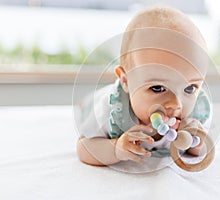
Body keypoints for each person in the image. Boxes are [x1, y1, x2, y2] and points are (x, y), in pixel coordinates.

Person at [76, 6, 211, 166]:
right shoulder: (110, 110)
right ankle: (84, 102)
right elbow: (84, 148)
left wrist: (195, 142)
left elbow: (201, 151)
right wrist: (115, 148)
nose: (176, 104)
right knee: (87, 105)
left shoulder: (196, 113)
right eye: (158, 88)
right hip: (95, 100)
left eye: (189, 88)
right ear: (126, 81)